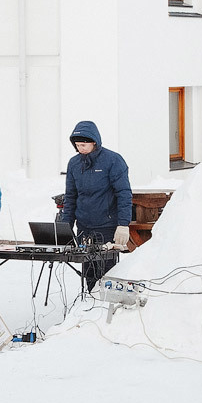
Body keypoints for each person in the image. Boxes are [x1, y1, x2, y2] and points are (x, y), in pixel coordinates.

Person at [60, 120, 132, 287]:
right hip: (84, 227)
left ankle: (108, 306)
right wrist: (65, 227)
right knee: (89, 271)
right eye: (77, 145)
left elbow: (123, 194)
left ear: (94, 142)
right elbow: (71, 197)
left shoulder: (113, 160)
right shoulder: (74, 163)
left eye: (84, 145)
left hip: (106, 226)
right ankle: (91, 305)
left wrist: (123, 224)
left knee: (107, 271)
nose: (81, 149)